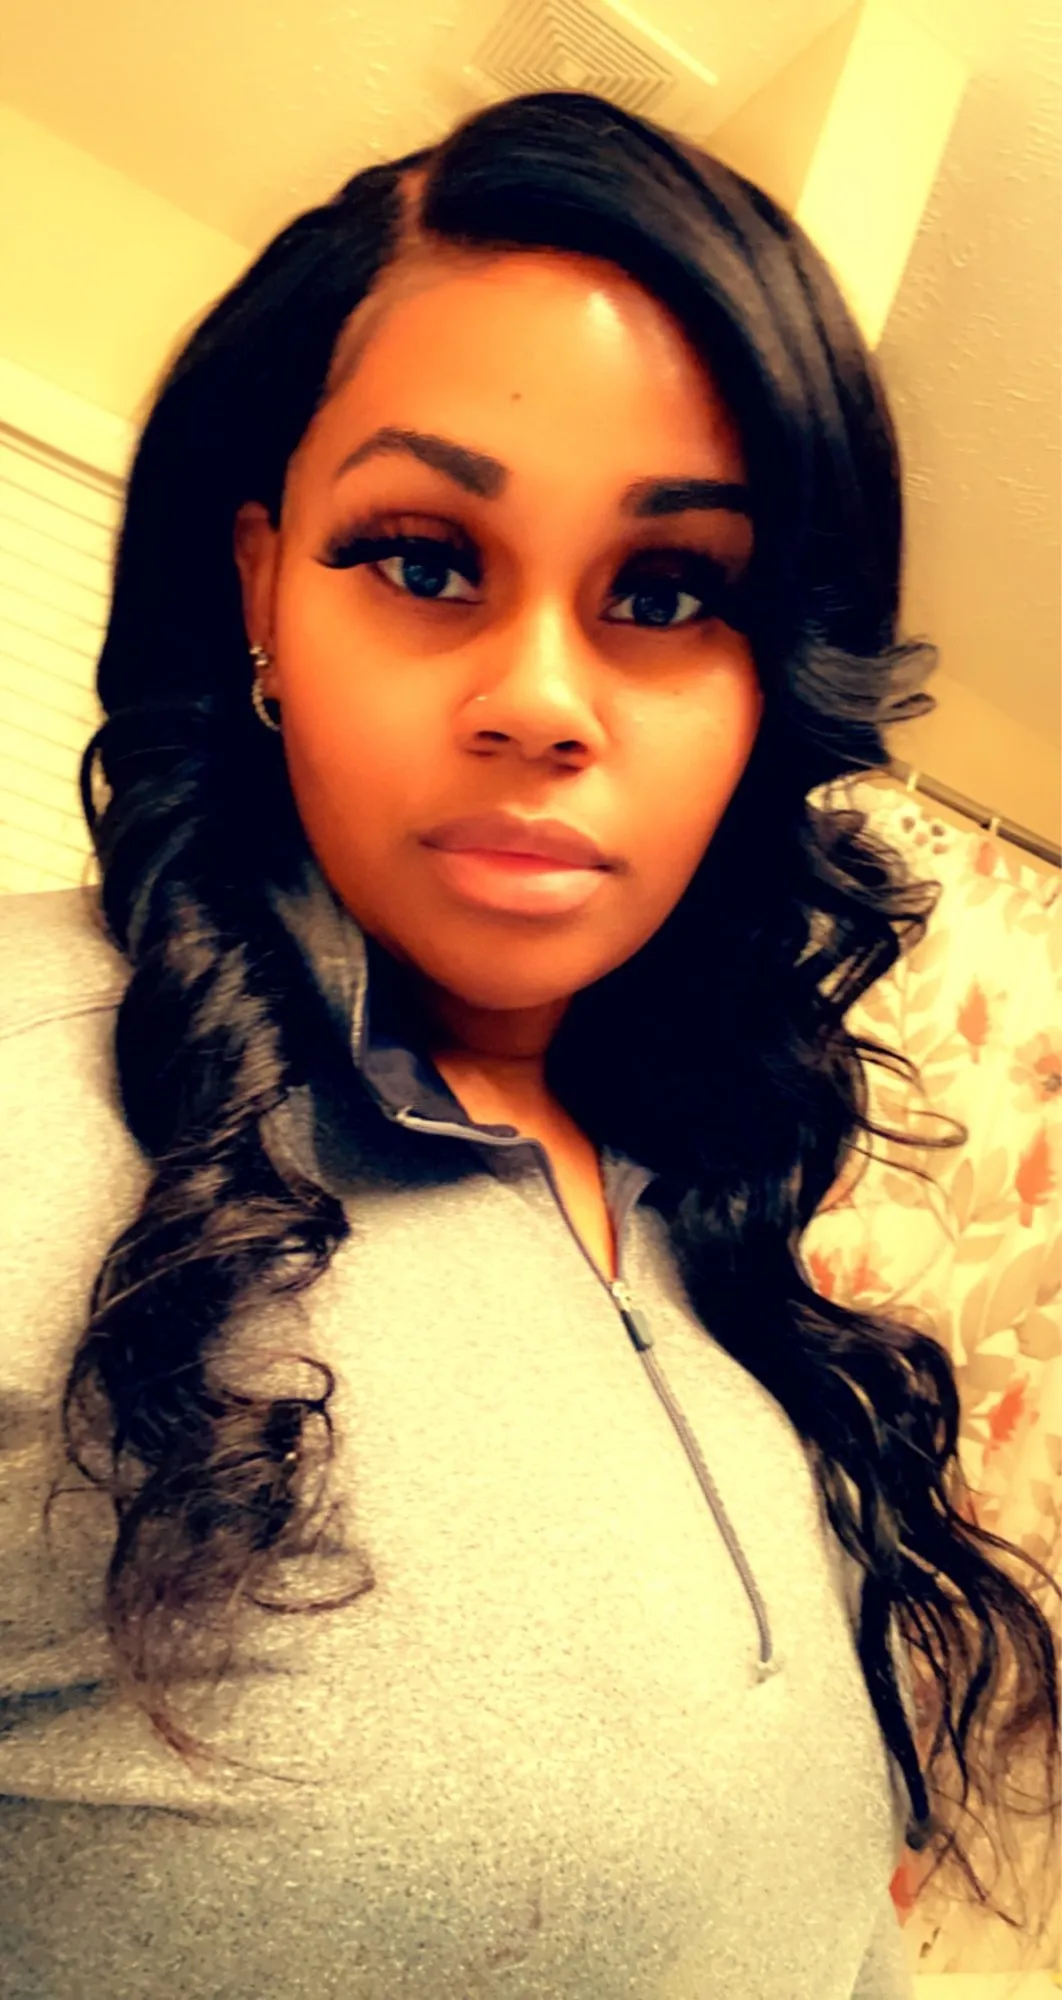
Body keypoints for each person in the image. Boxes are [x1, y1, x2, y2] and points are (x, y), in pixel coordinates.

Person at [0, 89, 1056, 2000]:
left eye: (666, 592)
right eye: (422, 557)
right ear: (259, 585)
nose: (542, 698)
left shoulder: (694, 1187)